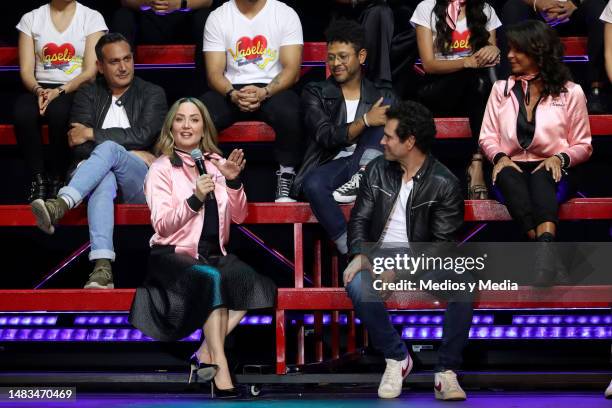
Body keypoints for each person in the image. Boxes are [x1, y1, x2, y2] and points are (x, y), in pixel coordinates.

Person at [129, 97, 276, 399]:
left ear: (203, 126)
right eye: (180, 119)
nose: (187, 125)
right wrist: (194, 199)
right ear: (171, 125)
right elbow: (162, 225)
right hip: (172, 256)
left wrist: (234, 183)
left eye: (194, 119)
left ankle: (204, 352)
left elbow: (239, 216)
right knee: (213, 280)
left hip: (212, 253)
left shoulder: (214, 163)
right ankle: (220, 369)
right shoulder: (160, 168)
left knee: (259, 286)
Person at [344, 100, 473, 401]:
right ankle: (396, 358)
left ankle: (446, 373)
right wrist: (360, 254)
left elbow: (442, 247)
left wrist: (400, 269)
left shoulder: (444, 183)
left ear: (410, 141)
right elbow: (360, 220)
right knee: (358, 284)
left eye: (389, 136)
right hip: (379, 258)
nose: (382, 141)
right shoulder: (376, 170)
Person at [30, 33, 168, 289]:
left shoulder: (152, 93)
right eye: (114, 61)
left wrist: (95, 135)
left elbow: (145, 134)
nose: (123, 67)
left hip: (140, 181)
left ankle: (61, 203)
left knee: (109, 152)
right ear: (100, 67)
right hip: (94, 177)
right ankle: (102, 269)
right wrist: (129, 151)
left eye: (127, 59)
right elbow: (77, 144)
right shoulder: (87, 94)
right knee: (105, 175)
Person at [479, 20, 592, 246]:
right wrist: (500, 158)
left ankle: (544, 254)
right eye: (508, 49)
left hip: (557, 169)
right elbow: (487, 136)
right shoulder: (500, 89)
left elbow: (583, 144)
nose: (509, 55)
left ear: (538, 51)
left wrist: (559, 158)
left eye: (517, 50)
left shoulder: (571, 92)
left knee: (543, 176)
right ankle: (547, 250)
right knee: (507, 175)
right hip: (512, 166)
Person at [294, 19, 394, 255]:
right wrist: (365, 120)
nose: (335, 63)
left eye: (342, 56)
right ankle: (352, 249)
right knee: (313, 184)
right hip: (332, 162)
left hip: (376, 163)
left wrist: (372, 121)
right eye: (331, 57)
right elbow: (325, 136)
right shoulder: (315, 92)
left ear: (361, 56)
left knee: (387, 106)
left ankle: (365, 173)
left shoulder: (381, 94)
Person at [200, 0, 304, 202]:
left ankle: (287, 175)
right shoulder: (219, 16)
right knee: (200, 112)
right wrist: (232, 94)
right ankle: (203, 175)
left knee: (292, 110)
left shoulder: (284, 13)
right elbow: (214, 73)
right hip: (232, 88)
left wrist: (265, 92)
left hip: (271, 87)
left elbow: (292, 70)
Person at [14, 0, 107, 202]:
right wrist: (39, 90)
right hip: (39, 87)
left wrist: (59, 91)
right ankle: (38, 179)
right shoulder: (31, 18)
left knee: (59, 112)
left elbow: (90, 73)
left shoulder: (91, 17)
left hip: (75, 88)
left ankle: (58, 177)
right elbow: (26, 71)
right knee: (22, 112)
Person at [410, 0, 502, 200]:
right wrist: (467, 62)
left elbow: (491, 58)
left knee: (478, 81)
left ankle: (476, 163)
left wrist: (494, 51)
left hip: (472, 92)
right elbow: (429, 64)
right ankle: (479, 163)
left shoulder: (485, 8)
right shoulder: (427, 8)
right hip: (436, 91)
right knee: (474, 77)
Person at [498, 0, 608, 113]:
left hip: (575, 11)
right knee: (512, 7)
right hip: (536, 11)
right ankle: (510, 91)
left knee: (597, 7)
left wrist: (575, 5)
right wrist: (536, 3)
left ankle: (597, 90)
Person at [111, 0, 215, 91]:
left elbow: (208, 1)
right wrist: (148, 2)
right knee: (122, 15)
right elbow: (125, 1)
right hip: (146, 21)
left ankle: (204, 91)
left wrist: (179, 3)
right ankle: (123, 90)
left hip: (185, 20)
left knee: (205, 16)